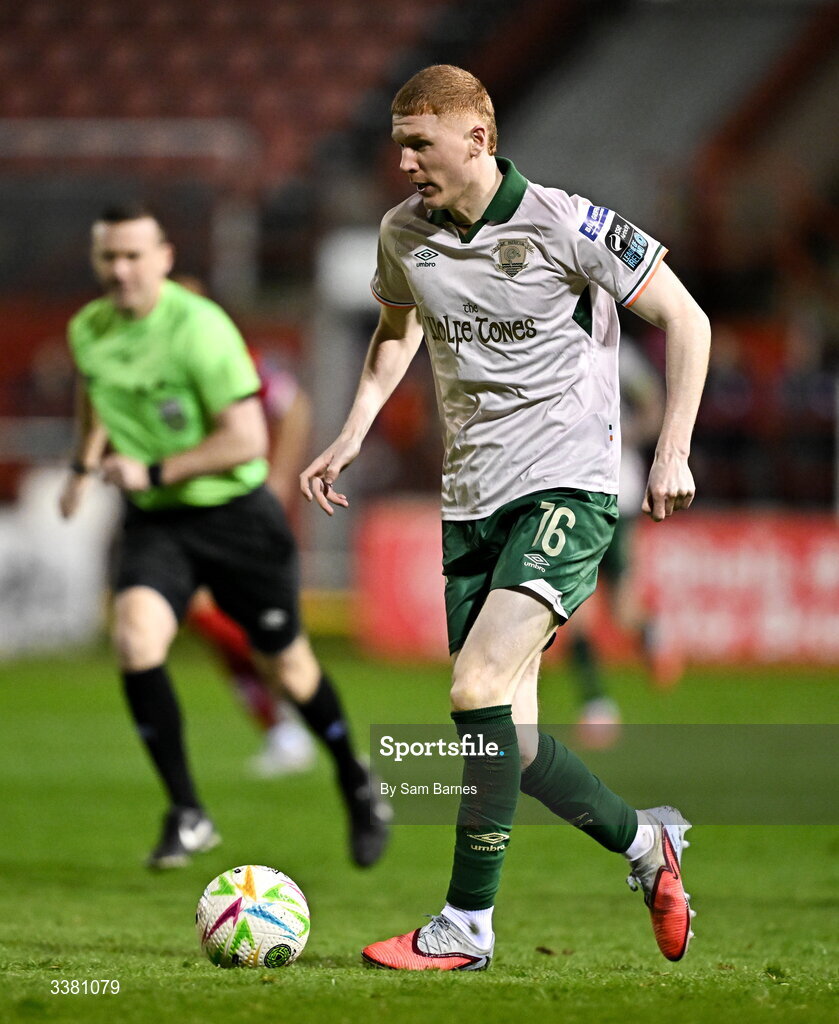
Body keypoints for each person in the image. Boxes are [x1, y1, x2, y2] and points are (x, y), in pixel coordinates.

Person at [301, 65, 710, 970]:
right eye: (398, 142)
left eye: (420, 142)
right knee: (511, 744)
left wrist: (672, 448)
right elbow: (396, 331)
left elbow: (686, 318)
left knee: (475, 689)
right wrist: (352, 431)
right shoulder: (403, 234)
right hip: (472, 499)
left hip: (567, 486)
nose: (403, 160)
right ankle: (646, 846)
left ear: (477, 139)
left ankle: (465, 927)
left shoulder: (565, 222)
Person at [59, 203, 390, 870]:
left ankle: (355, 781)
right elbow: (97, 392)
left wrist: (149, 467)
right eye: (109, 258)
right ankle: (187, 812)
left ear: (163, 257)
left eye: (132, 256)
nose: (120, 270)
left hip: (235, 516)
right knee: (134, 638)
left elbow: (247, 438)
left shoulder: (200, 330)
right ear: (97, 262)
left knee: (288, 665)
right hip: (157, 520)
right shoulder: (88, 329)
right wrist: (81, 462)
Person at [172, 274, 317, 777]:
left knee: (226, 614)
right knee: (211, 618)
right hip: (198, 510)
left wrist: (279, 478)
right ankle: (285, 724)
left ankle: (295, 712)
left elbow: (295, 406)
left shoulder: (234, 357)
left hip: (242, 510)